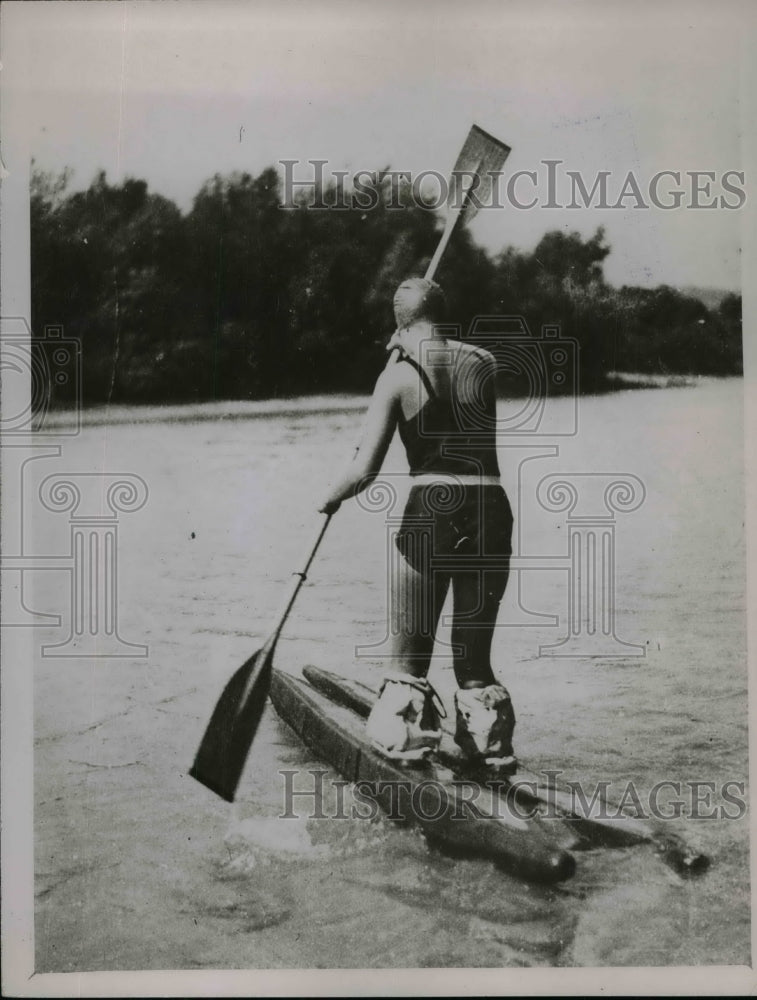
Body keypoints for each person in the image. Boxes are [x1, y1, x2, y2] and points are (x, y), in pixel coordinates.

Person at [319, 277, 516, 770]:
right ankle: (491, 746)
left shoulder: (396, 377)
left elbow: (364, 472)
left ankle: (407, 737)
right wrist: (417, 338)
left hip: (434, 511)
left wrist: (328, 500)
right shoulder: (484, 364)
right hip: (491, 511)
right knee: (473, 661)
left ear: (397, 323)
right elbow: (456, 354)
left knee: (409, 658)